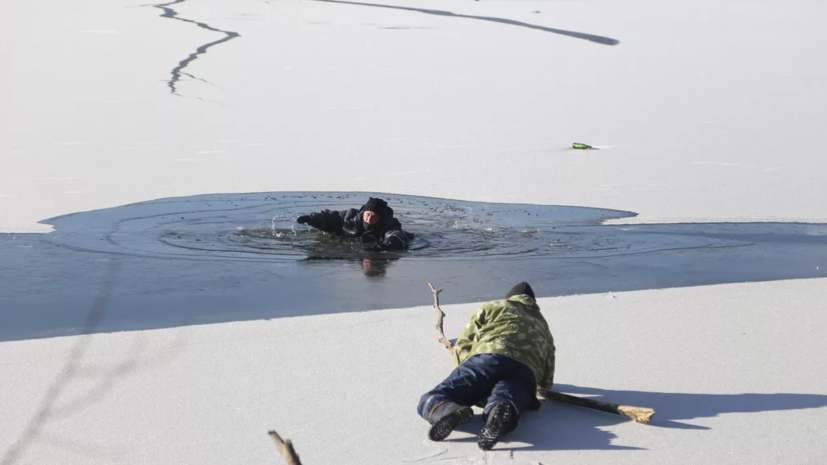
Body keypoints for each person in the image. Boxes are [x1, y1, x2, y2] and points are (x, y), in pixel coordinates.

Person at [417, 282, 555, 450]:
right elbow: (548, 369)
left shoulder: (492, 306)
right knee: (509, 395)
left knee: (434, 397)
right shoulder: (542, 323)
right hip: (524, 370)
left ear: (509, 297)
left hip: (488, 358)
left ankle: (447, 410)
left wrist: (462, 367)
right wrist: (540, 386)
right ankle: (501, 410)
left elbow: (465, 341)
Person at [295, 197, 413, 250]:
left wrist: (384, 246)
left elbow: (395, 236)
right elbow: (331, 217)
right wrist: (313, 218)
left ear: (380, 218)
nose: (369, 219)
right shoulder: (350, 217)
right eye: (368, 214)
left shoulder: (389, 225)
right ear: (364, 213)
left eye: (374, 216)